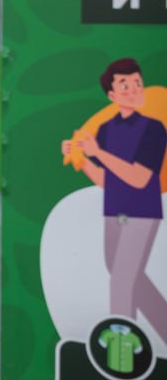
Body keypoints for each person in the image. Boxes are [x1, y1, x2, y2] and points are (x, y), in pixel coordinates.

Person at [61, 58, 167, 341]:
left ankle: (122, 346)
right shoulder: (107, 129)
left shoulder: (154, 129)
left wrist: (98, 152)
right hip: (114, 209)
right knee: (128, 276)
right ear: (112, 95)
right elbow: (106, 179)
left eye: (137, 83)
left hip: (142, 211)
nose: (134, 89)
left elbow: (139, 178)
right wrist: (80, 158)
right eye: (125, 84)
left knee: (122, 279)